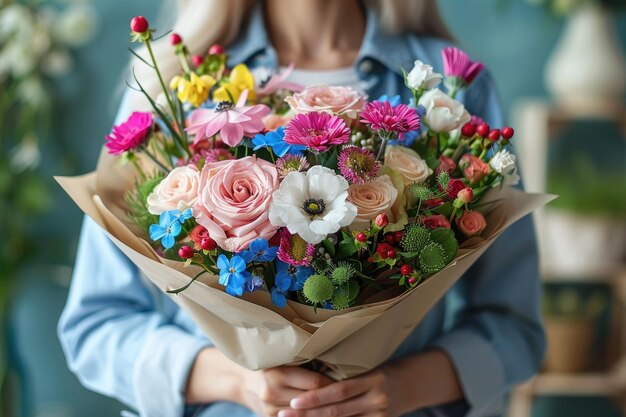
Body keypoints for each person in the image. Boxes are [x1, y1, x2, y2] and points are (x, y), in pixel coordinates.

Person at [58, 1, 545, 416]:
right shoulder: (175, 83)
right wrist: (238, 382)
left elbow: (514, 328)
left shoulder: (450, 88)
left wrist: (401, 388)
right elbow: (97, 325)